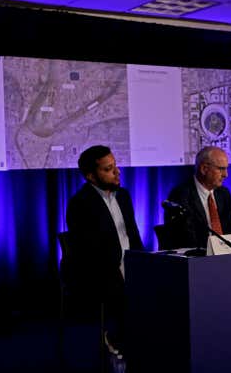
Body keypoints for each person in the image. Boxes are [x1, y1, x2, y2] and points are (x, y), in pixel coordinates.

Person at [64, 145, 144, 357]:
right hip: (101, 271)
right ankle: (119, 344)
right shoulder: (80, 204)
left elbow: (133, 235)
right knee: (124, 293)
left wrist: (145, 263)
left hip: (130, 264)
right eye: (108, 169)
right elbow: (89, 252)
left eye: (115, 166)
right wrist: (122, 269)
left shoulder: (123, 196)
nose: (117, 172)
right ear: (91, 176)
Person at [165, 146, 231, 249]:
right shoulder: (181, 194)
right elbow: (185, 237)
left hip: (225, 254)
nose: (226, 175)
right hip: (198, 257)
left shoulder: (224, 193)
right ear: (204, 169)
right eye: (221, 169)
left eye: (226, 168)